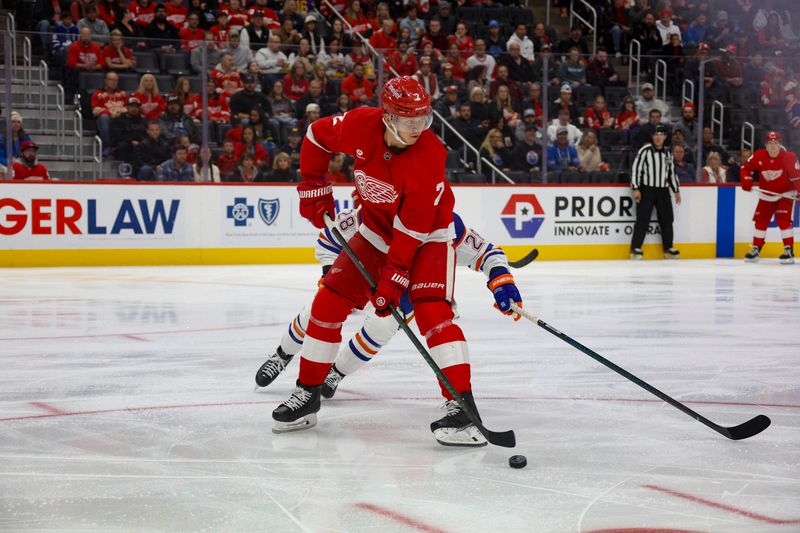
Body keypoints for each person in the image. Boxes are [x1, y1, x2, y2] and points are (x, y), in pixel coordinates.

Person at [271, 76, 520, 447]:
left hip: (428, 238)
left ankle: (461, 408)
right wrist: (312, 183)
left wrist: (392, 281)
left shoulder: (430, 154)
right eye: (409, 119)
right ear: (387, 116)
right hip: (376, 228)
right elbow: (316, 137)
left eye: (423, 117)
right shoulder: (358, 124)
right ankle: (308, 394)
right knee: (329, 300)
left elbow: (411, 232)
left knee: (433, 312)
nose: (418, 126)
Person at [256, 209, 520, 402]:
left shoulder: (445, 223)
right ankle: (282, 353)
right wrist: (330, 270)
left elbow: (487, 252)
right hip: (363, 272)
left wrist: (500, 278)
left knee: (380, 329)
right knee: (319, 311)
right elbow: (329, 238)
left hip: (404, 287)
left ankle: (336, 373)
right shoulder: (374, 211)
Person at [739, 131, 800, 264]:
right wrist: (747, 179)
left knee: (784, 221)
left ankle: (788, 250)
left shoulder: (789, 157)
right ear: (766, 145)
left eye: (775, 143)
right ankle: (756, 248)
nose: (773, 146)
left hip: (785, 194)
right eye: (770, 143)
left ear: (780, 145)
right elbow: (745, 168)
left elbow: (797, 178)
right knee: (760, 221)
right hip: (766, 194)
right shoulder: (759, 155)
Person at [629, 124, 681, 260]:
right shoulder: (645, 150)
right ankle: (635, 248)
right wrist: (636, 188)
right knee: (642, 219)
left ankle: (668, 248)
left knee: (667, 219)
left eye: (661, 134)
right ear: (652, 136)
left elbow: (671, 173)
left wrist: (676, 190)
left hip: (663, 190)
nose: (658, 137)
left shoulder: (668, 153)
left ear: (665, 137)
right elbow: (636, 170)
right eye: (656, 134)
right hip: (647, 189)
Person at [92, 71, 129, 153]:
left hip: (121, 118)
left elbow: (128, 108)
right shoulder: (98, 94)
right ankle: (107, 147)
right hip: (107, 119)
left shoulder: (123, 94)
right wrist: (110, 113)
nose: (113, 82)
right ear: (105, 81)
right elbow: (95, 110)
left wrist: (119, 113)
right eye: (111, 80)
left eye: (116, 80)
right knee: (104, 117)